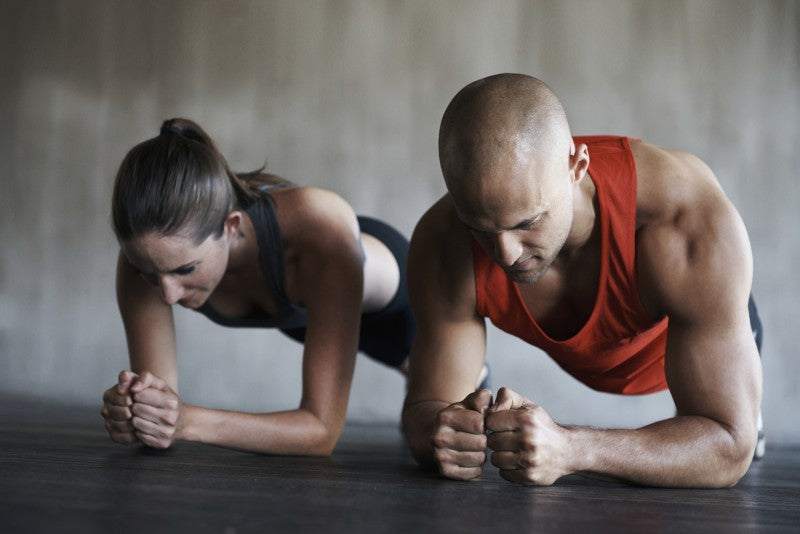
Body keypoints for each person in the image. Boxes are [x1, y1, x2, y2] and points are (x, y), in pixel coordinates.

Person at [401, 74, 764, 488]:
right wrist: (447, 433)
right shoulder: (443, 242)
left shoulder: (685, 222)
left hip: (684, 348)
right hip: (607, 349)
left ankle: (748, 391)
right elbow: (425, 410)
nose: (506, 255)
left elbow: (728, 448)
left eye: (527, 223)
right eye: (479, 229)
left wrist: (572, 448)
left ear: (577, 167)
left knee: (740, 430)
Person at [101, 118, 416, 456]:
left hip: (404, 304)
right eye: (150, 273)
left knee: (424, 430)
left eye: (186, 269)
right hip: (303, 318)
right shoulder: (148, 257)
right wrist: (138, 412)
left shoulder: (319, 231)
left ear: (230, 225)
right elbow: (162, 407)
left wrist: (187, 422)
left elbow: (321, 432)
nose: (168, 294)